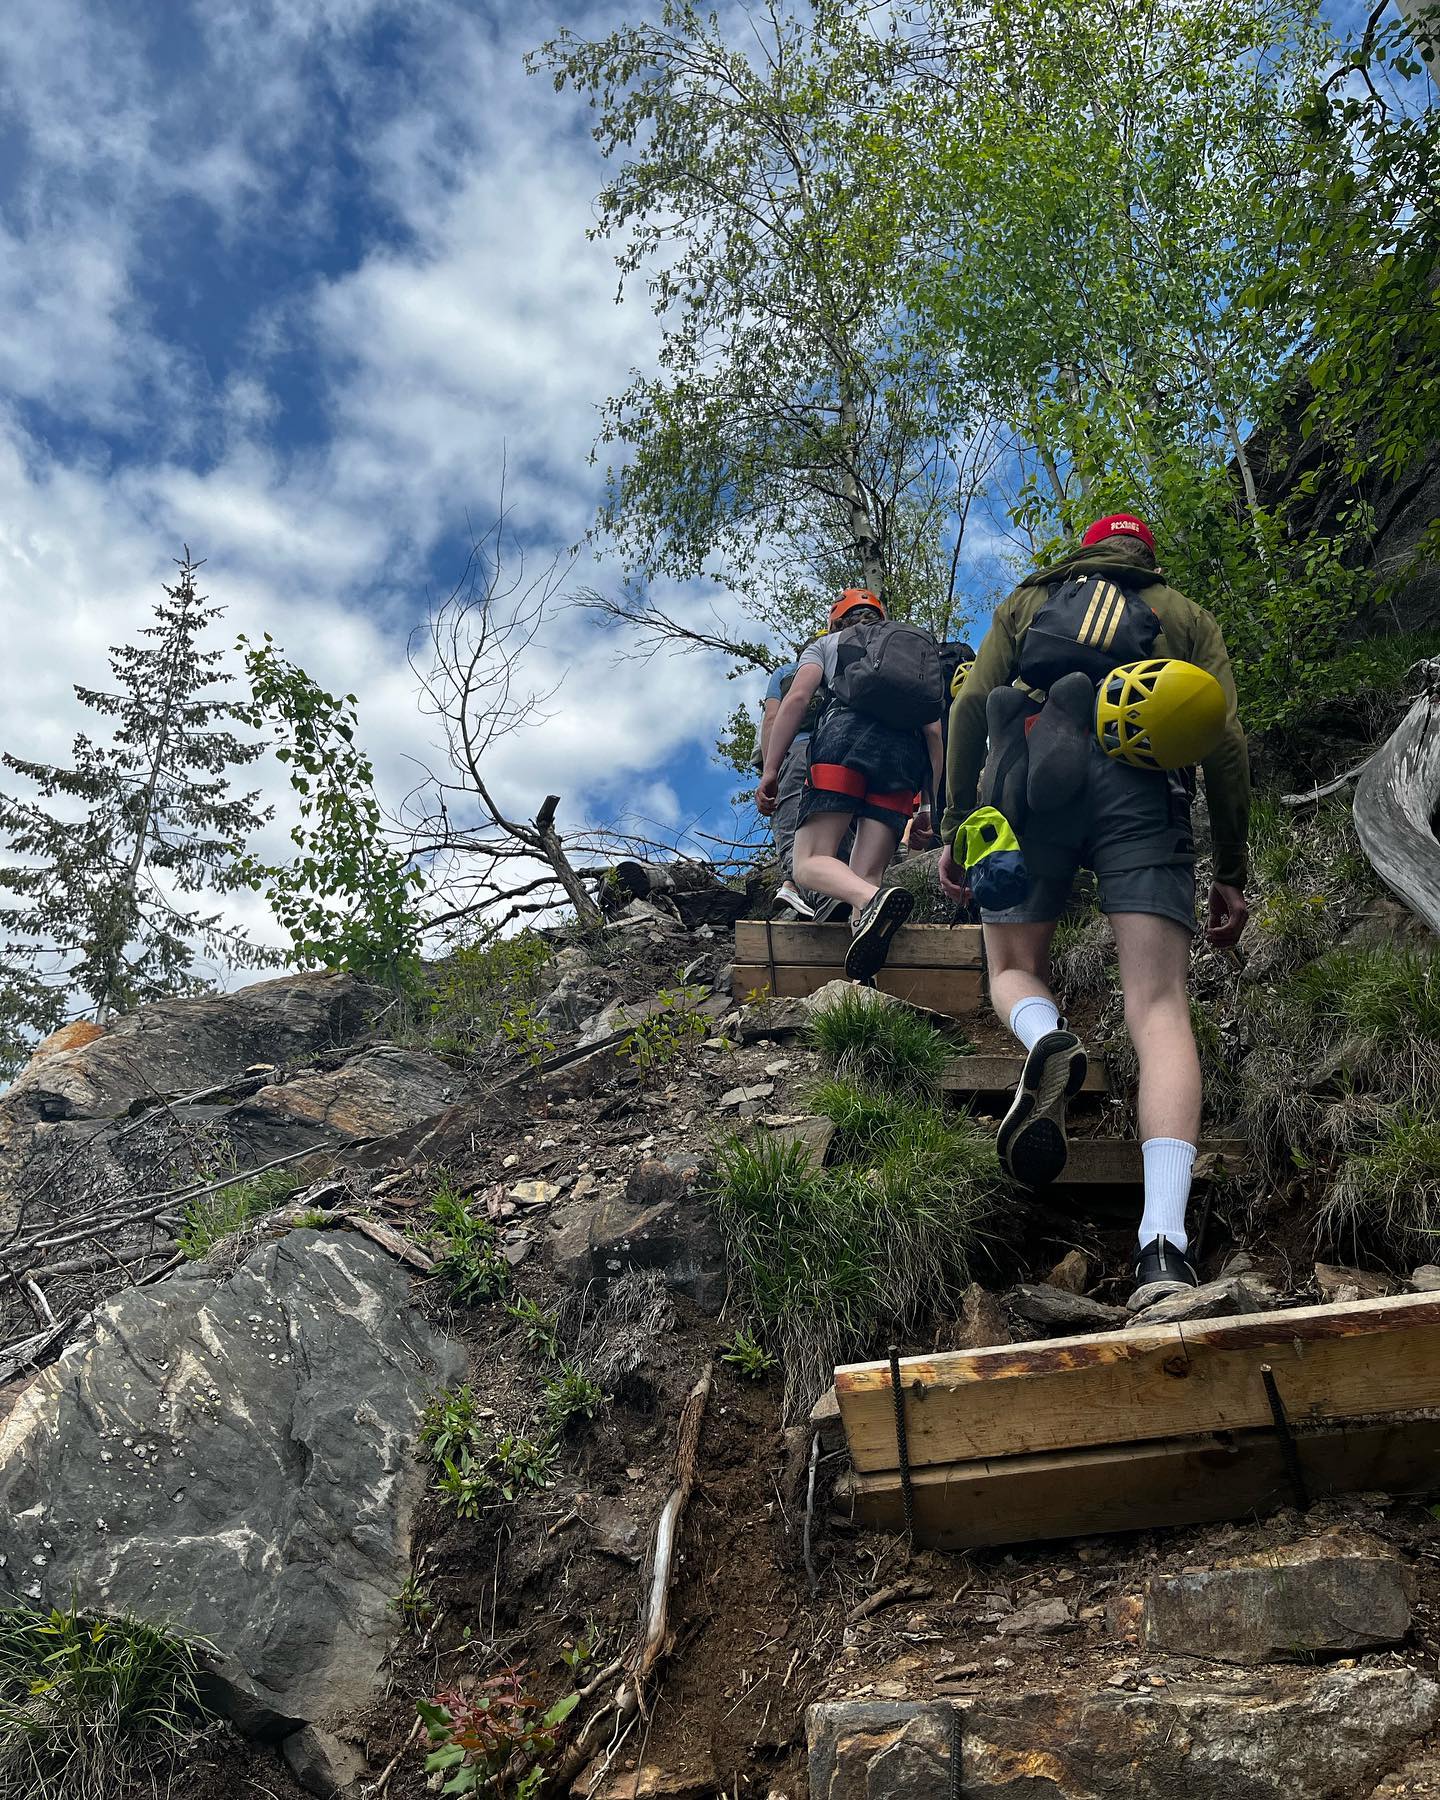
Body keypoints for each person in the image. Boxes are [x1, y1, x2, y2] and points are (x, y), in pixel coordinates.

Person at [937, 513, 1250, 1310]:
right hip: (1144, 787)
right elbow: (1226, 740)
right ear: (1147, 552)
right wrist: (1233, 869)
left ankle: (1048, 1041)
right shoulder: (1180, 612)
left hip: (1031, 766)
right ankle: (1163, 1247)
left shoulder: (1029, 599)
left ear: (1085, 549)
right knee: (1158, 1006)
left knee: (1011, 966)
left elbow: (973, 701)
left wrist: (953, 826)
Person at [758, 589, 944, 982]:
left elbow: (797, 701)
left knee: (808, 863)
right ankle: (864, 984)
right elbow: (933, 730)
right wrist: (928, 804)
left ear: (835, 620)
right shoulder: (913, 652)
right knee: (864, 874)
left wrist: (771, 769)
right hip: (904, 756)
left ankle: (871, 901)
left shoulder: (827, 644)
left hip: (845, 740)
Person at [759, 654, 825, 917]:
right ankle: (812, 887)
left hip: (795, 748)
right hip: (838, 749)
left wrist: (769, 771)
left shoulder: (786, 672)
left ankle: (796, 885)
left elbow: (772, 720)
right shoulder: (843, 663)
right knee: (830, 816)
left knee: (791, 814)